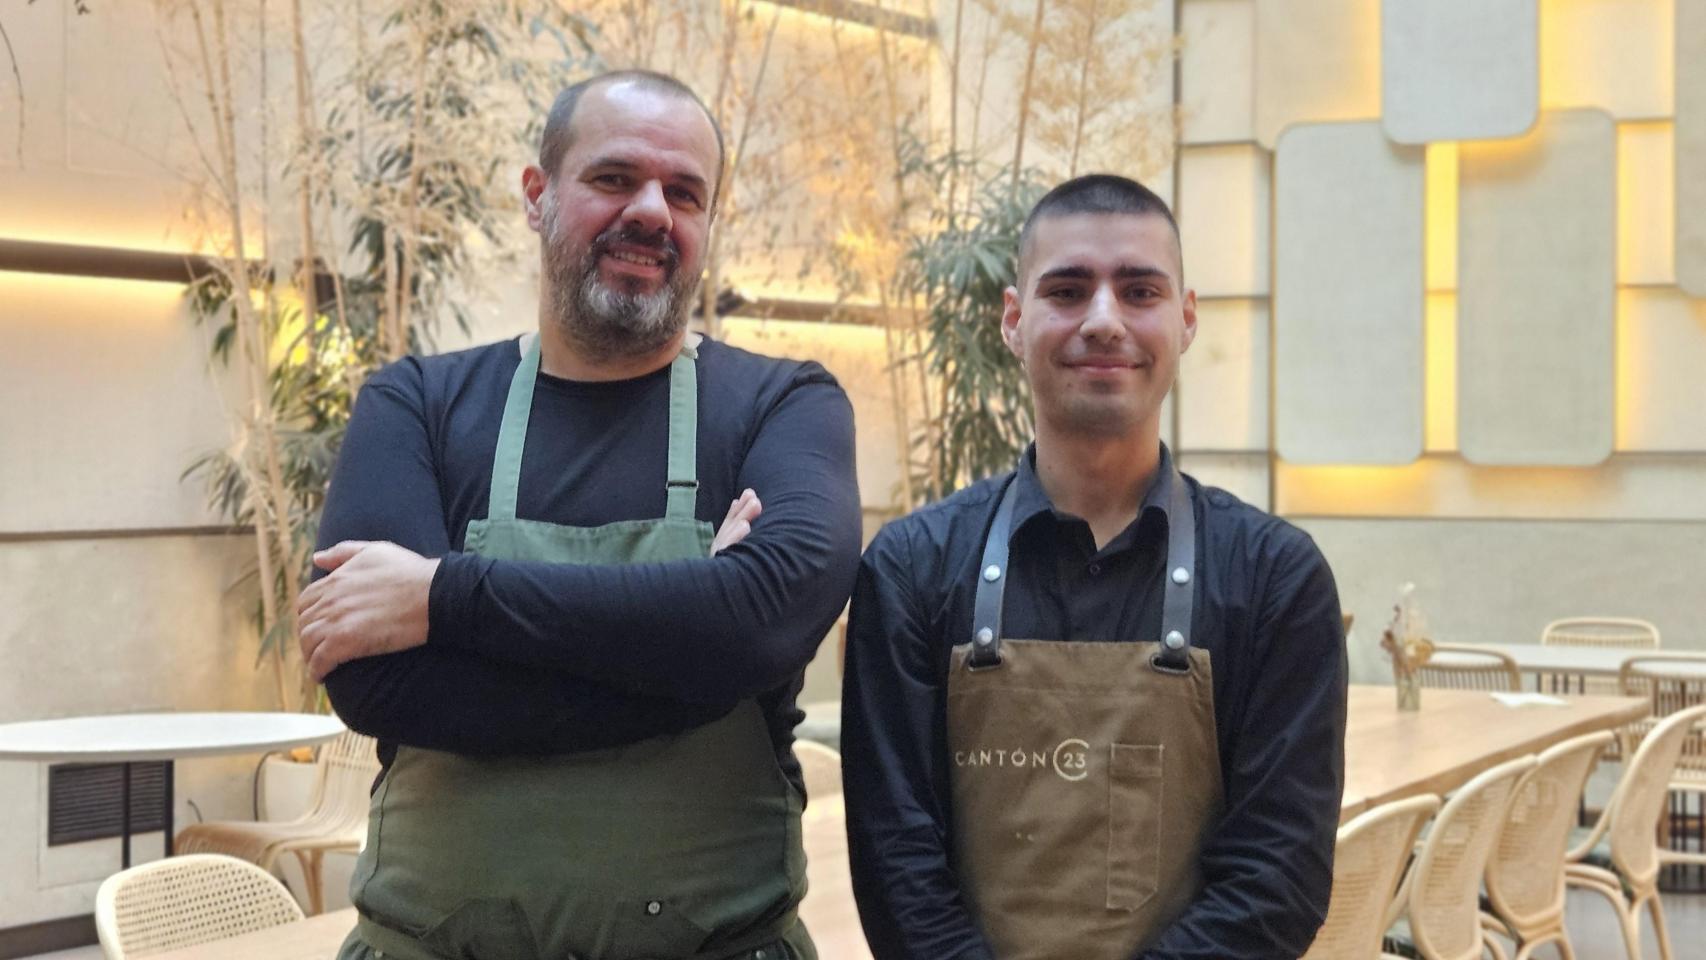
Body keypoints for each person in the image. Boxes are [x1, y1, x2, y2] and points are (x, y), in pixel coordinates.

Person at [295, 70, 862, 960]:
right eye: (614, 178)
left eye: (685, 193)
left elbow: (760, 620)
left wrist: (443, 598)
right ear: (537, 195)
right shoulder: (416, 404)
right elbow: (379, 687)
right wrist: (694, 658)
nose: (652, 211)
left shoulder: (783, 405)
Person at [841, 174, 1346, 959]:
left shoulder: (1276, 579)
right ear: (1015, 320)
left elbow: (1277, 877)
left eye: (1140, 291)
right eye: (1068, 291)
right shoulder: (911, 570)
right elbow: (896, 866)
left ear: (1185, 320)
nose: (1104, 321)